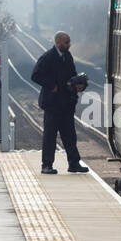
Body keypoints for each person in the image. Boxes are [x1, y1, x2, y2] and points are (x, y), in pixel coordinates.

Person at [31, 31, 89, 173]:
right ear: (58, 43)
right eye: (66, 42)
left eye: (69, 42)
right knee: (50, 136)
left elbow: (72, 75)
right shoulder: (48, 57)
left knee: (70, 136)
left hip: (66, 103)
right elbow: (35, 75)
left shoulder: (67, 56)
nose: (69, 45)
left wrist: (79, 84)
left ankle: (74, 163)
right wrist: (52, 85)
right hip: (52, 104)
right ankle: (47, 165)